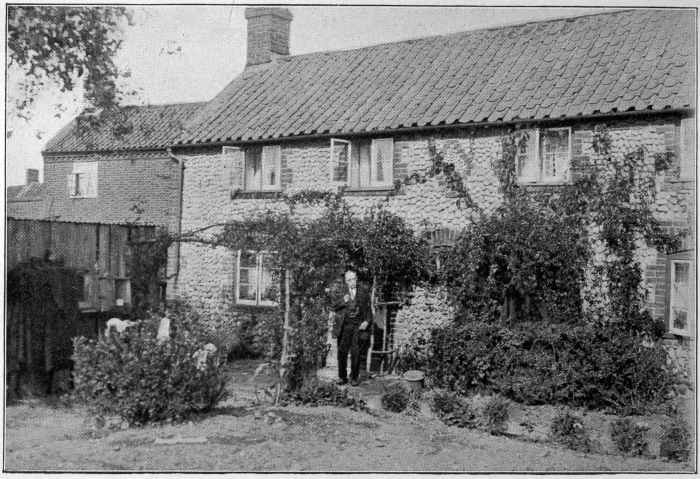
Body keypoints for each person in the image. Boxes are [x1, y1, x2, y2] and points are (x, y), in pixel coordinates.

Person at [332, 269, 372, 386]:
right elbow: (334, 306)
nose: (352, 282)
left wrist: (367, 321)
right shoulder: (340, 291)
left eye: (353, 279)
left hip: (357, 327)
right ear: (346, 281)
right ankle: (342, 377)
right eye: (349, 280)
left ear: (356, 278)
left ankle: (354, 377)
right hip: (344, 326)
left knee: (356, 352)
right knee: (342, 352)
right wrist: (343, 301)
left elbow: (369, 310)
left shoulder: (363, 292)